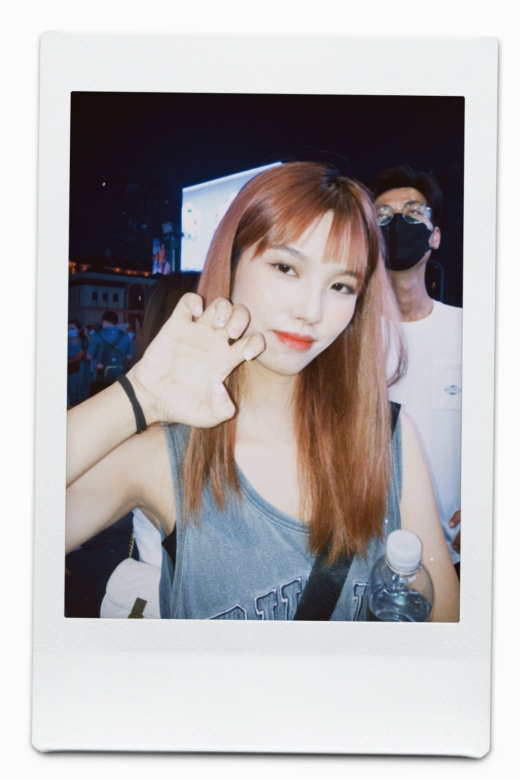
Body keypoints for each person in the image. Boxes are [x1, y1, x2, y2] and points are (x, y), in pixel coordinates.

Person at [66, 162, 459, 621]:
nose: (311, 310)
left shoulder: (386, 438)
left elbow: (446, 619)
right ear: (232, 264)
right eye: (285, 267)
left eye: (340, 285)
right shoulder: (170, 455)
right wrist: (141, 394)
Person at [371, 166, 462, 573]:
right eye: (383, 216)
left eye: (412, 213)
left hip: (454, 552)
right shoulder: (345, 337)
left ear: (435, 235)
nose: (396, 224)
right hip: (369, 554)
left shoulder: (472, 331)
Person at [86, 311, 134, 393]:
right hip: (119, 377)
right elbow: (129, 356)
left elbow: (88, 356)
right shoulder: (125, 336)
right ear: (116, 323)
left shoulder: (97, 335)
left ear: (104, 322)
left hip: (101, 377)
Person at [67, 319, 90, 407]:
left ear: (79, 330)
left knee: (83, 400)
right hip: (70, 376)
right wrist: (75, 359)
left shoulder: (84, 341)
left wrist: (87, 335)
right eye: (68, 329)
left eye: (72, 328)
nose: (70, 330)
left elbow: (94, 349)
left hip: (83, 375)